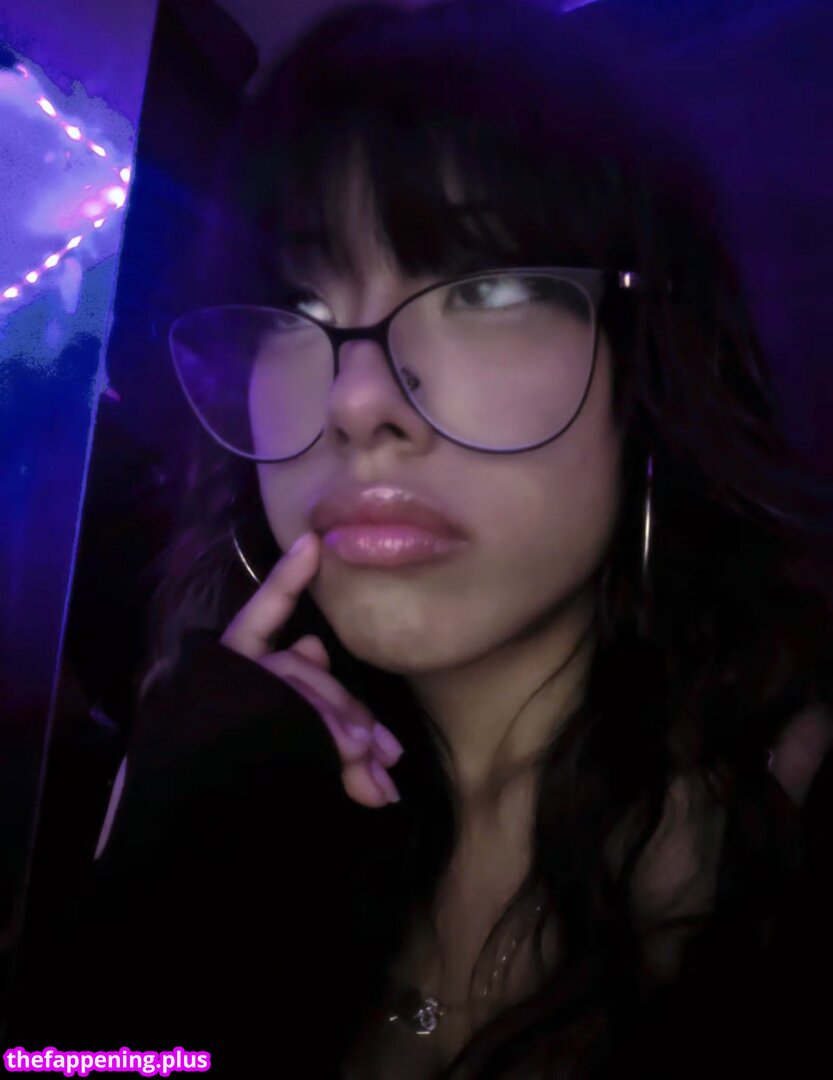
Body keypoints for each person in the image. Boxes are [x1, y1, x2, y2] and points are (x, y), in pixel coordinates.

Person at [12, 1, 833, 1077]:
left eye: (485, 285)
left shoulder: (789, 821)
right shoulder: (200, 780)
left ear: (652, 367)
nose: (356, 400)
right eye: (300, 306)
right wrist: (152, 912)